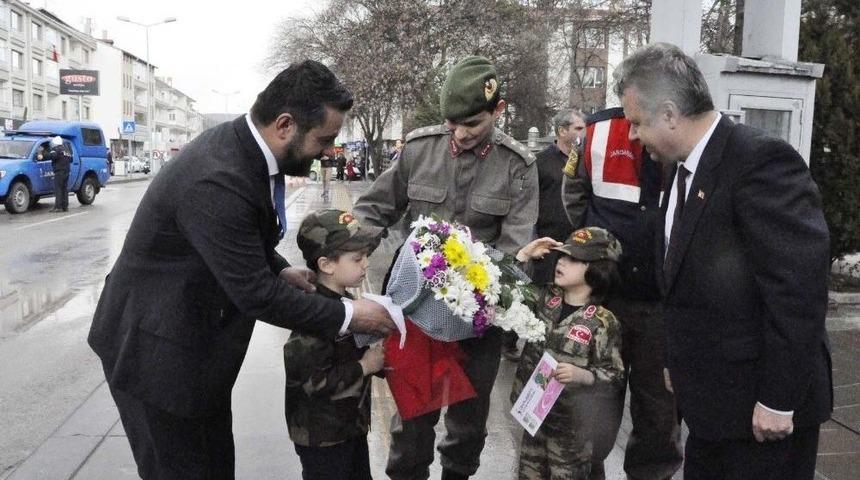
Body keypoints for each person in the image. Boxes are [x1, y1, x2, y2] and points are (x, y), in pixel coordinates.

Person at [87, 60, 396, 480]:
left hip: (194, 355)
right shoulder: (219, 178)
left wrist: (280, 268)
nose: (328, 151)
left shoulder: (243, 153)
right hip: (156, 361)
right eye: (324, 139)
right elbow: (255, 294)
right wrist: (351, 315)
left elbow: (240, 240)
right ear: (285, 125)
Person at [615, 43, 832, 479]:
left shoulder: (760, 161)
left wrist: (778, 400)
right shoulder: (678, 168)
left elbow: (797, 290)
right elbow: (685, 279)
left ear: (671, 114)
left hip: (762, 417)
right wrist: (680, 363)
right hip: (713, 408)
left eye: (637, 122)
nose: (633, 136)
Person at [353, 56, 538, 480]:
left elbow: (516, 248)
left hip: (477, 320)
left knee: (468, 426)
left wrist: (480, 295)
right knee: (412, 422)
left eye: (472, 123)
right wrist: (345, 256)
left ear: (498, 109)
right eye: (452, 123)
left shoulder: (517, 165)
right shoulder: (421, 149)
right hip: (416, 314)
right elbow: (373, 208)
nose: (460, 133)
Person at [562, 107, 683, 479]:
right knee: (590, 406)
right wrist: (595, 260)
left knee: (658, 416)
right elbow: (575, 198)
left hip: (659, 305)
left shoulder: (682, 130)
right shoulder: (597, 132)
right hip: (605, 302)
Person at [511, 227, 625, 480]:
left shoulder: (603, 322)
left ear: (597, 269)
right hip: (534, 417)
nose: (561, 261)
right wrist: (523, 256)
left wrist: (582, 375)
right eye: (562, 255)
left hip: (573, 428)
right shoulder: (546, 298)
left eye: (573, 259)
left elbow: (615, 376)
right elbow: (507, 296)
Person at [285, 209, 385, 480]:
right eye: (357, 258)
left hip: (349, 427)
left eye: (366, 256)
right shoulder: (314, 315)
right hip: (322, 437)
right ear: (326, 264)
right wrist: (365, 366)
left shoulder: (347, 302)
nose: (365, 264)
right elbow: (313, 382)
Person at [502, 108, 587, 362]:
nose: (583, 132)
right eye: (578, 128)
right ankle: (510, 339)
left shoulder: (582, 160)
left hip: (571, 241)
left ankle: (550, 346)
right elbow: (526, 200)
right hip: (543, 240)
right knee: (533, 294)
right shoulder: (542, 162)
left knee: (559, 294)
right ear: (562, 131)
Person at [40, 136, 71, 212]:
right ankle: (65, 207)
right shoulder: (66, 150)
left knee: (58, 189)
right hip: (66, 171)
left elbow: (52, 156)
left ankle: (58, 207)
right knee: (64, 189)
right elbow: (71, 159)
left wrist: (42, 155)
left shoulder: (56, 149)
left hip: (59, 171)